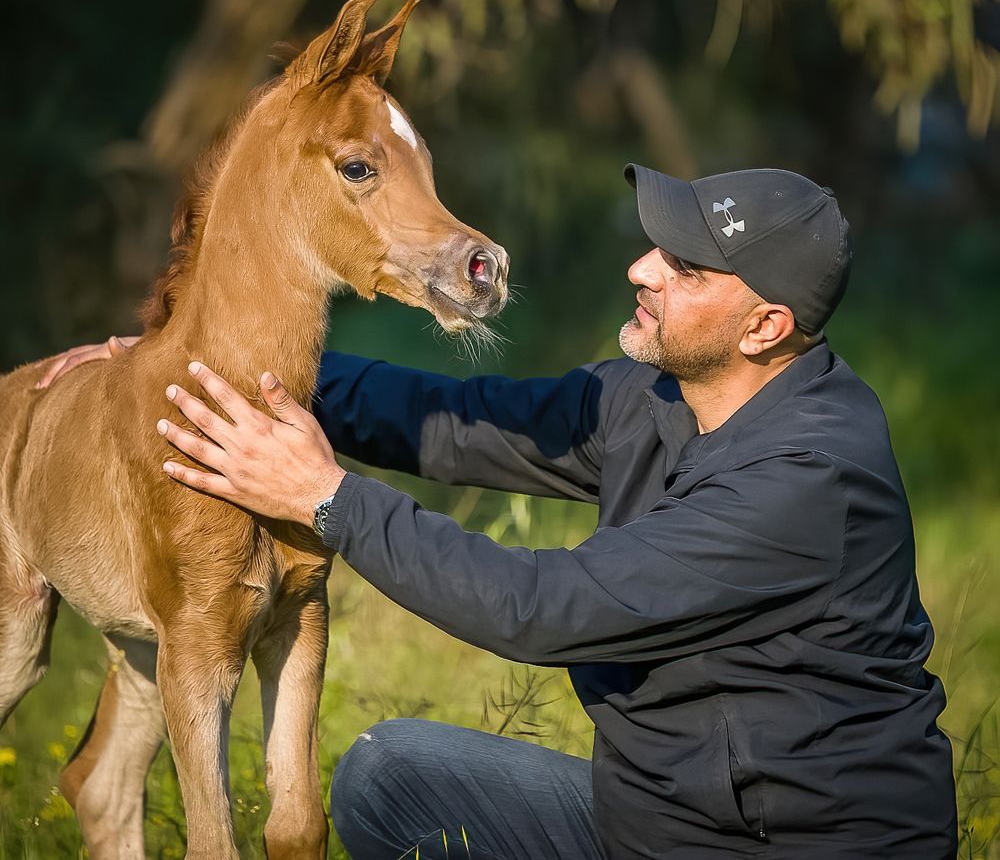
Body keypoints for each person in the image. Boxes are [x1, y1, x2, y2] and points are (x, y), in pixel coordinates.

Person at [40, 165, 958, 859]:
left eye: (683, 267)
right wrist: (222, 372)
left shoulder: (807, 478)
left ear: (765, 328)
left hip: (790, 845)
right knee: (387, 773)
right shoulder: (657, 397)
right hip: (656, 820)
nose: (641, 267)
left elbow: (545, 608)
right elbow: (471, 427)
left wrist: (325, 497)